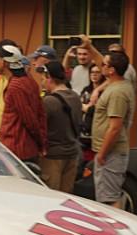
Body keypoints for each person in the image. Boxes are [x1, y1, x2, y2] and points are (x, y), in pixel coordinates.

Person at [92, 51, 135, 208]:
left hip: (111, 152)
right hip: (110, 151)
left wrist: (102, 154)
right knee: (108, 196)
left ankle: (115, 230)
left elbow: (115, 127)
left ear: (111, 70)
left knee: (109, 199)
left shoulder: (117, 92)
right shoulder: (117, 84)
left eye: (104, 64)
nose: (100, 66)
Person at [0, 45, 46, 164]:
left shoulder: (15, 86)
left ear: (4, 62)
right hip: (24, 147)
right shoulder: (29, 81)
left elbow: (29, 119)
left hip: (17, 148)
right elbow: (41, 113)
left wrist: (41, 143)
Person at [39, 61, 81, 193]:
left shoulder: (49, 101)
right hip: (72, 153)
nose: (41, 82)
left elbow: (40, 128)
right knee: (66, 196)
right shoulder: (75, 96)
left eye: (42, 79)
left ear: (49, 78)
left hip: (53, 156)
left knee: (51, 196)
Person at [79, 63, 104, 161]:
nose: (94, 74)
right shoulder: (86, 89)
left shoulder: (104, 91)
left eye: (97, 72)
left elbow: (99, 109)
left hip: (98, 127)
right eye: (92, 72)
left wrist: (88, 108)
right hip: (84, 130)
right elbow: (79, 105)